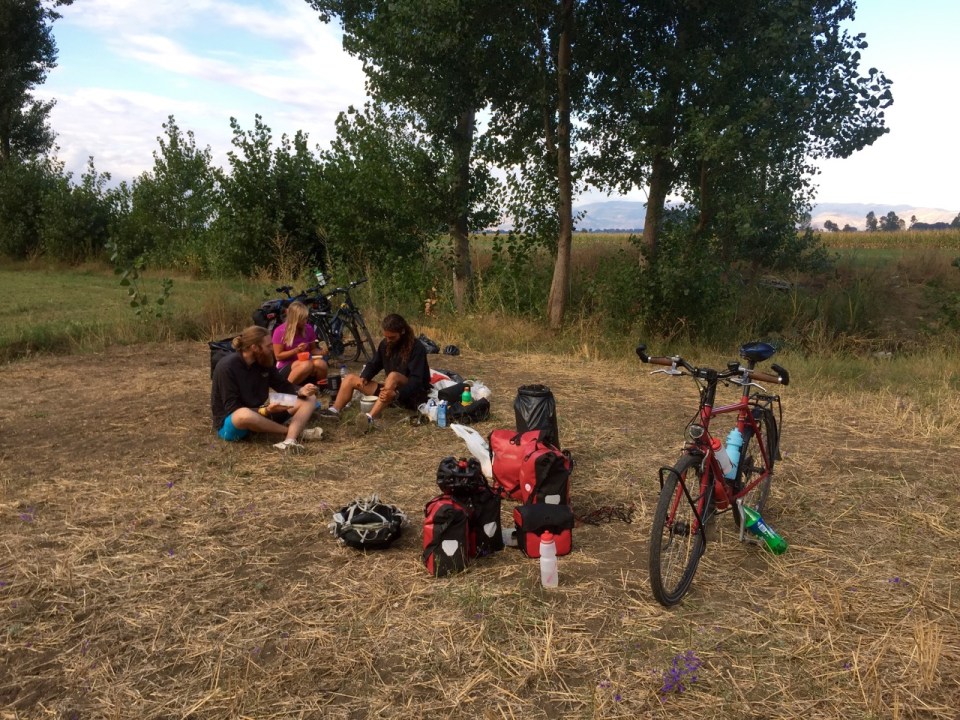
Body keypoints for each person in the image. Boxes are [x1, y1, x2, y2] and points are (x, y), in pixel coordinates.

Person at [211, 325, 323, 452]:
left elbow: (282, 385)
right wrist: (265, 410)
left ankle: (289, 440)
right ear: (254, 347)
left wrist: (300, 391)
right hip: (233, 423)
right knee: (243, 414)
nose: (272, 349)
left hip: (261, 412)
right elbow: (232, 408)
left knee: (309, 399)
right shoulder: (227, 367)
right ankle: (293, 432)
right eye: (268, 346)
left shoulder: (264, 360)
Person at [320, 313, 430, 434]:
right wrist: (365, 376)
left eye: (392, 337)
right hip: (389, 393)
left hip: (411, 395)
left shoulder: (417, 348)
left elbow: (417, 381)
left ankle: (369, 418)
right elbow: (375, 363)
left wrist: (396, 393)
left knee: (393, 376)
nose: (388, 340)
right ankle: (333, 411)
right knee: (350, 378)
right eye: (386, 337)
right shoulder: (385, 344)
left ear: (402, 332)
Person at [272, 301, 328, 387]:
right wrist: (296, 350)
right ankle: (287, 389)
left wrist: (321, 352)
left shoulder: (308, 328)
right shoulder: (280, 331)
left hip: (305, 363)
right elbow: (278, 356)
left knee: (321, 364)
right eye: (303, 319)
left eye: (306, 318)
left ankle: (321, 388)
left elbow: (313, 350)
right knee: (306, 364)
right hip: (285, 366)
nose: (306, 321)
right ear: (295, 319)